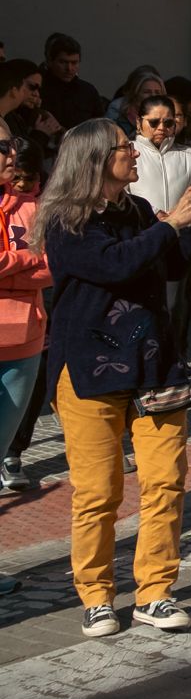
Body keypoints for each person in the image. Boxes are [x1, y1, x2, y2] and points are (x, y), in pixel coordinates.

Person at [32, 120, 191, 637]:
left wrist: (181, 224)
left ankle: (154, 592)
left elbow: (171, 269)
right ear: (93, 160)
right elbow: (113, 265)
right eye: (124, 147)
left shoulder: (135, 209)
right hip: (90, 366)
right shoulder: (66, 220)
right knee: (97, 492)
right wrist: (168, 226)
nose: (135, 153)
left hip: (156, 363)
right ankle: (96, 596)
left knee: (166, 482)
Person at [0, 133, 50, 593]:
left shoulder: (37, 209)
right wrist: (21, 260)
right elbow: (30, 262)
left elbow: (52, 266)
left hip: (25, 342)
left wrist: (11, 269)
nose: (16, 175)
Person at [129, 94, 191, 348]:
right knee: (142, 300)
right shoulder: (129, 152)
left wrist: (189, 211)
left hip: (180, 236)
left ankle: (172, 358)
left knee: (173, 302)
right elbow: (122, 191)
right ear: (138, 122)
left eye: (168, 123)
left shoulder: (188, 155)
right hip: (141, 235)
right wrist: (152, 213)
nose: (161, 129)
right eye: (154, 122)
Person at [39, 33, 104, 130]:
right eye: (63, 62)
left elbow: (100, 125)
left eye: (74, 63)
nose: (69, 68)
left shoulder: (88, 91)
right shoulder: (39, 89)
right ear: (50, 62)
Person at [105, 65, 165, 136]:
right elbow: (108, 136)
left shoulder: (167, 111)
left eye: (157, 92)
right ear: (135, 93)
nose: (153, 95)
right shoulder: (117, 107)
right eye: (147, 92)